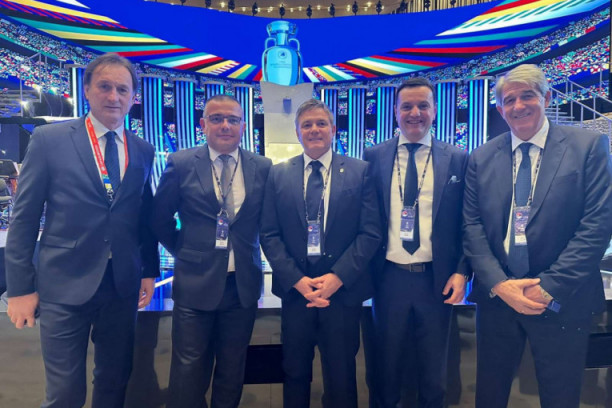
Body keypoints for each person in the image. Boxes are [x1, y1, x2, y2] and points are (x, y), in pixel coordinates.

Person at [5, 52, 159, 408]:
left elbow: (143, 216)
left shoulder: (142, 149)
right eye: (105, 87)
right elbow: (24, 219)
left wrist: (148, 270)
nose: (114, 96)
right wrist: (20, 289)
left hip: (121, 285)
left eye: (122, 89)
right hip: (63, 284)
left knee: (114, 383)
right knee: (64, 393)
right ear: (87, 90)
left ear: (133, 97)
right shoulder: (50, 140)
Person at [463, 64, 612, 408]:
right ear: (500, 109)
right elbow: (471, 227)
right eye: (509, 100)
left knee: (561, 397)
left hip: (562, 299)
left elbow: (597, 224)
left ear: (545, 98)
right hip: (498, 301)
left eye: (527, 96)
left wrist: (547, 287)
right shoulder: (481, 157)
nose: (518, 106)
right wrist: (500, 284)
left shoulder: (588, 146)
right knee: (490, 396)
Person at [152, 94, 272, 408]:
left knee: (232, 370)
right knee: (188, 372)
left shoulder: (262, 167)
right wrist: (185, 250)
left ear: (243, 126)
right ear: (203, 124)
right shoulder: (181, 163)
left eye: (233, 119)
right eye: (217, 119)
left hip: (242, 287)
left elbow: (268, 223)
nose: (225, 125)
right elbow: (159, 218)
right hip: (195, 284)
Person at [260, 99, 382, 408]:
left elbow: (370, 233)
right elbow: (269, 234)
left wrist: (338, 277)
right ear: (297, 132)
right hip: (296, 294)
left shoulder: (360, 171)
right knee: (294, 373)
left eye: (321, 123)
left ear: (333, 129)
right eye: (307, 125)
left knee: (341, 377)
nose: (314, 129)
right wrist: (297, 280)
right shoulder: (277, 174)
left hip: (342, 295)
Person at [363, 77, 469, 408]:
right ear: (395, 111)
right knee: (386, 368)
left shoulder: (457, 158)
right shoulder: (373, 156)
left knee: (434, 373)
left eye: (423, 105)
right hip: (388, 278)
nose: (415, 113)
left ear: (434, 110)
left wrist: (463, 270)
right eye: (407, 106)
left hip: (436, 280)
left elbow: (468, 221)